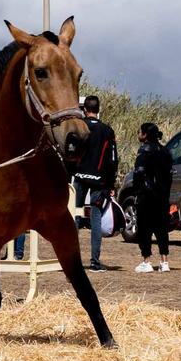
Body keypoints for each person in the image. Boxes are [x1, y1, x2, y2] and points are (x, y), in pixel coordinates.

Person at [73, 95, 120, 270]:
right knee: (96, 219)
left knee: (75, 217)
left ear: (84, 109)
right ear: (98, 110)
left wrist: (70, 173)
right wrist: (111, 184)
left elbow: (69, 152)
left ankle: (71, 260)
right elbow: (113, 159)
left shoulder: (78, 127)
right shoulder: (107, 131)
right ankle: (94, 261)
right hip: (99, 181)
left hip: (79, 177)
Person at [130, 122, 174, 273]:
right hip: (162, 196)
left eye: (140, 132)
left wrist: (137, 191)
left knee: (145, 229)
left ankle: (146, 261)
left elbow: (139, 173)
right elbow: (169, 175)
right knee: (162, 228)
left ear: (145, 135)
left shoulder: (144, 151)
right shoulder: (165, 151)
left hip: (146, 196)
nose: (138, 135)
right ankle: (164, 261)